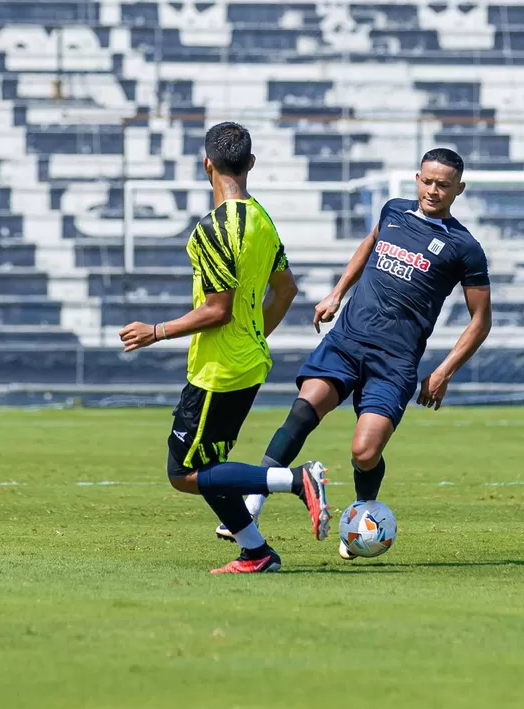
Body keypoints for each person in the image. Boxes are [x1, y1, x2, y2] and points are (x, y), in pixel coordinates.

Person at [216, 148, 492, 559]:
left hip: (394, 364)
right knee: (303, 412)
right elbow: (370, 243)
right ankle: (253, 504)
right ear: (418, 178)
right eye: (427, 181)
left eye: (443, 185)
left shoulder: (464, 247)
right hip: (347, 341)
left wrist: (443, 372)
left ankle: (361, 515)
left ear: (459, 189)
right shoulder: (394, 210)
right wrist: (337, 292)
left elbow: (481, 319)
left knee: (365, 453)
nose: (433, 191)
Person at [118, 122, 331, 574]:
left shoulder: (211, 231)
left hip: (217, 369)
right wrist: (254, 335)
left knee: (184, 474)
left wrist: (155, 331)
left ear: (207, 165)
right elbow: (287, 290)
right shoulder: (261, 218)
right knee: (211, 465)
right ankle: (256, 553)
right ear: (250, 163)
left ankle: (295, 479)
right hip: (249, 362)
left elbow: (217, 310)